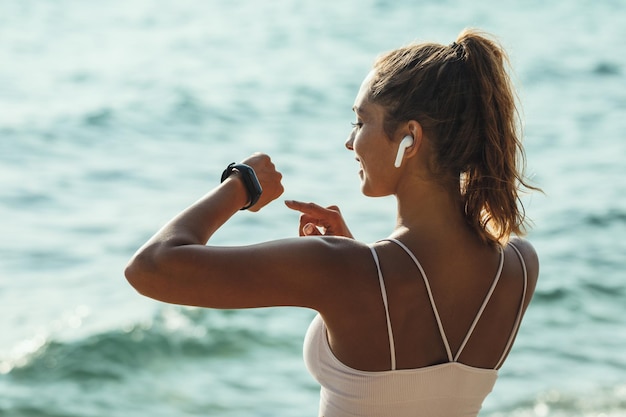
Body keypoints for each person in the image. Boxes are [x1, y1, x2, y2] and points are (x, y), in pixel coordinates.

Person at [125, 28, 539, 417]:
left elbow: (150, 268)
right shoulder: (519, 266)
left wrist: (242, 185)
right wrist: (358, 256)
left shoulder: (345, 271)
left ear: (409, 138)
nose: (349, 141)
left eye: (361, 122)